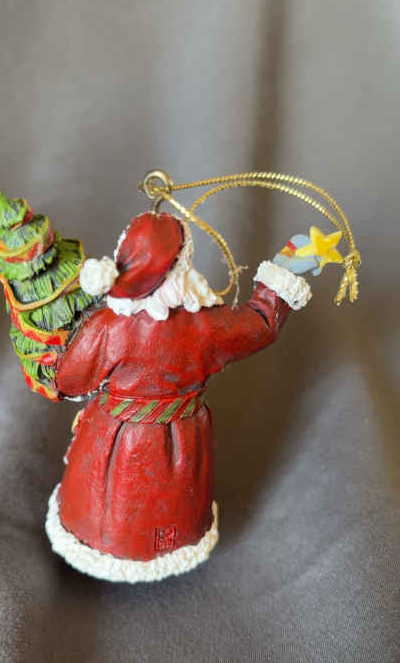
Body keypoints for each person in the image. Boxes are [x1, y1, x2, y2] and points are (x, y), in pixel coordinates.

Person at [45, 210, 321, 583]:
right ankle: (156, 542)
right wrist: (284, 271)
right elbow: (259, 324)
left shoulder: (108, 327)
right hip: (179, 443)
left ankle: (102, 538)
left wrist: (53, 349)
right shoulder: (206, 324)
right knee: (167, 502)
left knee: (111, 505)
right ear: (180, 266)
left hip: (113, 439)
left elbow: (68, 379)